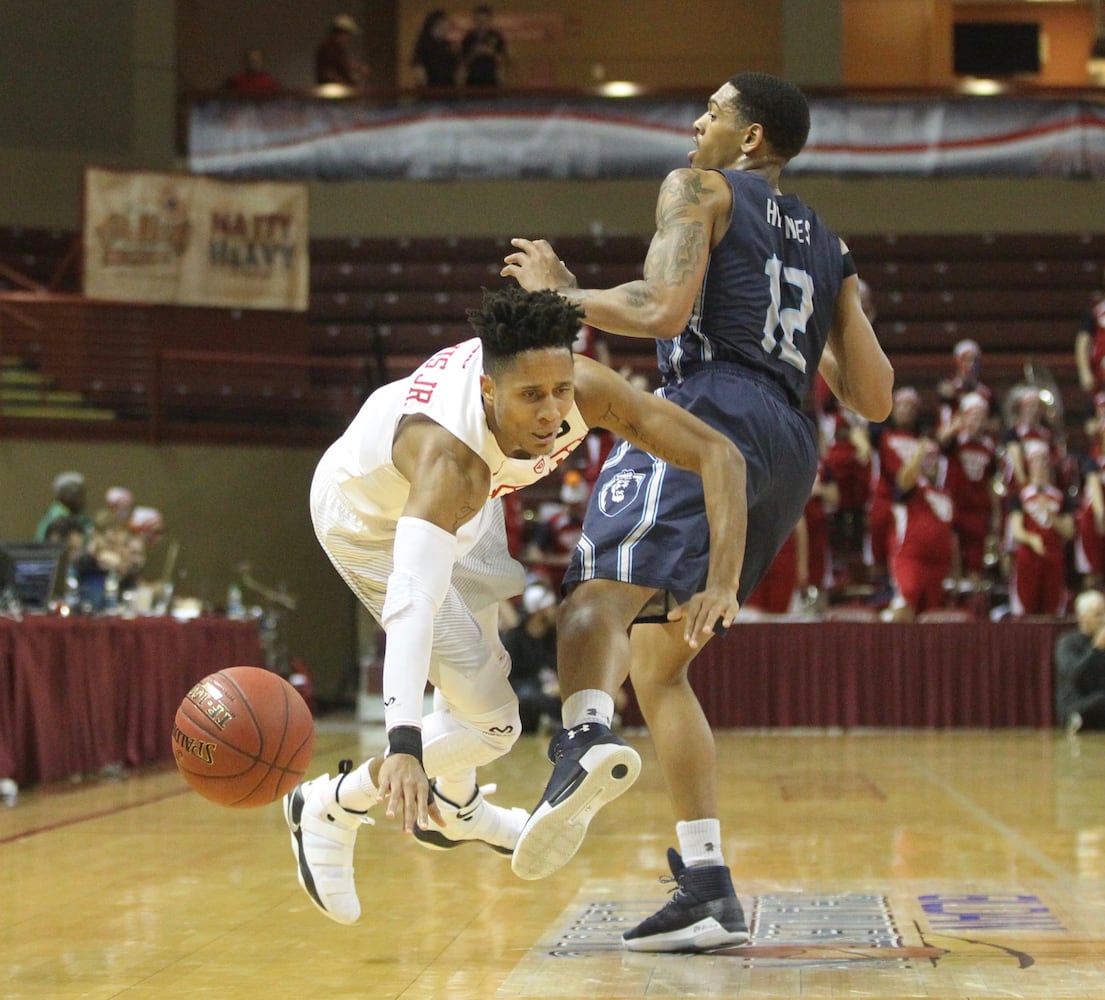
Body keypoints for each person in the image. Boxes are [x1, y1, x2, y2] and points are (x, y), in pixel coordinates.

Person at [501, 72, 894, 951]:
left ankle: (581, 745)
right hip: (790, 443)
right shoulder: (828, 245)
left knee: (596, 590)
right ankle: (708, 884)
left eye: (712, 112)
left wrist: (551, 299)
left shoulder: (699, 187)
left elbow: (658, 307)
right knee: (658, 664)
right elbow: (871, 395)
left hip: (709, 407)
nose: (694, 124)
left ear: (748, 138)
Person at [284, 286, 748, 927]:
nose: (553, 413)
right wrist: (403, 743)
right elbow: (411, 603)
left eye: (559, 390)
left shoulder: (582, 389)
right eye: (532, 396)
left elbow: (718, 454)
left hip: (471, 514)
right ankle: (329, 802)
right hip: (369, 523)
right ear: (488, 392)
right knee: (494, 726)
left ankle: (457, 809)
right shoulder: (449, 462)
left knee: (478, 687)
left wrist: (723, 578)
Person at [1008, 439, 1074, 616]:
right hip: (1029, 556)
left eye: (1044, 461)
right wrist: (1031, 538)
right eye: (1036, 461)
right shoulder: (1020, 497)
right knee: (1025, 607)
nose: (1040, 466)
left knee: (1052, 608)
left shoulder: (1061, 498)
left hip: (1053, 556)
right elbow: (1016, 529)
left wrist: (1051, 515)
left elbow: (1069, 531)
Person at [501, 580, 561, 733]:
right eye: (550, 606)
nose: (554, 610)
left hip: (553, 693)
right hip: (526, 695)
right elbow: (508, 679)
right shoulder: (514, 638)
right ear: (539, 611)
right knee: (527, 698)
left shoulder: (555, 636)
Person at [1054, 588, 1105, 733]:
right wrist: (1096, 649)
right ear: (1083, 617)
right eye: (1098, 615)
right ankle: (1076, 720)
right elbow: (1075, 675)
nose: (1103, 620)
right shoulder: (1067, 643)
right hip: (1076, 703)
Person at [35, 471, 94, 543]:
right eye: (75, 495)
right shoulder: (52, 521)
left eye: (82, 494)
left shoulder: (83, 520)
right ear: (60, 496)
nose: (80, 499)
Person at [315, 13, 370, 91]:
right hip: (333, 92)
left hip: (339, 90)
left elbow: (343, 63)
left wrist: (357, 68)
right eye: (348, 34)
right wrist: (346, 84)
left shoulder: (337, 48)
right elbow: (329, 73)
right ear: (341, 33)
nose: (349, 38)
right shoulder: (328, 47)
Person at [411, 10, 459, 90]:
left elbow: (455, 68)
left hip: (449, 90)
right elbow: (419, 69)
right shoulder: (424, 44)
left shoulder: (448, 45)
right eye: (446, 23)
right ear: (438, 24)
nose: (448, 27)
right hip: (432, 90)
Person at [460, 5, 507, 88]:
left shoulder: (496, 37)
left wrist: (490, 52)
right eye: (479, 20)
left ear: (490, 21)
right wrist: (475, 53)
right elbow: (463, 64)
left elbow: (502, 61)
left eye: (485, 21)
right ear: (474, 21)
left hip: (492, 80)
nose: (481, 24)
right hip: (472, 80)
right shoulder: (468, 38)